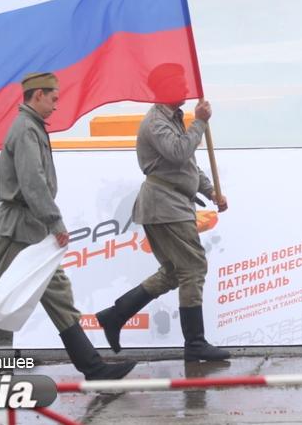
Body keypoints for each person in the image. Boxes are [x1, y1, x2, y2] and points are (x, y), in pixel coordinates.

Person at [0, 72, 136, 379]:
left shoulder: (32, 127)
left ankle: (93, 367)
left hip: (32, 228)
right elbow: (32, 182)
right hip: (19, 229)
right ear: (37, 95)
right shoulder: (26, 130)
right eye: (53, 98)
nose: (56, 105)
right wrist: (55, 221)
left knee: (58, 294)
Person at [96, 63, 231, 362]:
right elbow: (179, 152)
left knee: (173, 272)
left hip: (171, 205)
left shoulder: (174, 119)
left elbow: (188, 165)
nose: (186, 89)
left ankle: (115, 315)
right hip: (165, 206)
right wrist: (201, 122)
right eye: (179, 84)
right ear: (164, 89)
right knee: (193, 268)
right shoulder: (156, 123)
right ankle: (195, 343)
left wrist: (211, 192)